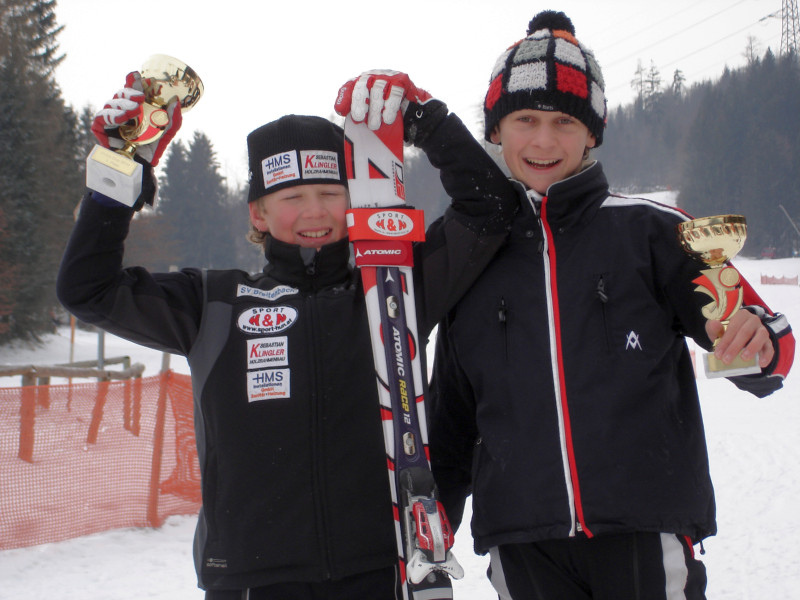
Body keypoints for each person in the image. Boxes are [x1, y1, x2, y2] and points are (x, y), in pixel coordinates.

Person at [56, 70, 516, 599]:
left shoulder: (395, 288)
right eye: (293, 197)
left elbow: (490, 211)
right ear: (258, 211)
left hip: (380, 573)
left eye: (329, 192)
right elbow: (87, 289)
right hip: (250, 580)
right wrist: (121, 167)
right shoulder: (214, 303)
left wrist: (426, 122)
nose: (315, 212)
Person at [417, 10, 795, 600]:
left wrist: (756, 341)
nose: (545, 141)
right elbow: (454, 410)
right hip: (523, 543)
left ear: (594, 131)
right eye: (526, 120)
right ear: (495, 129)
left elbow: (769, 340)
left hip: (644, 531)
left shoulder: (653, 231)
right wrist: (437, 504)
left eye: (565, 122)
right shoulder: (470, 255)